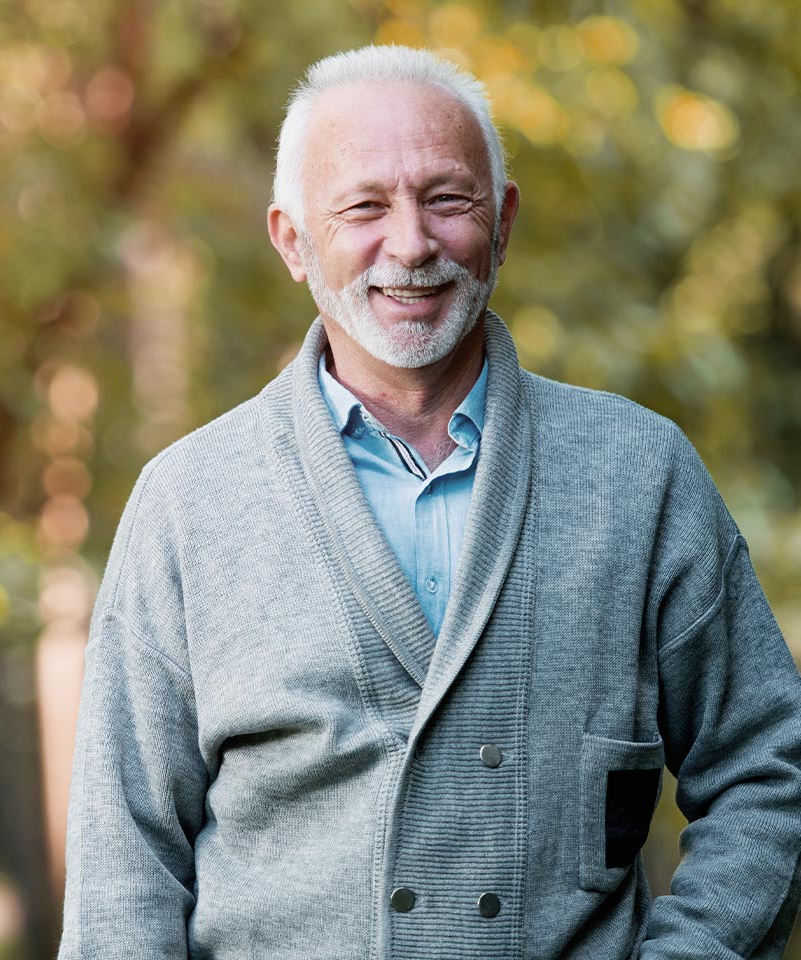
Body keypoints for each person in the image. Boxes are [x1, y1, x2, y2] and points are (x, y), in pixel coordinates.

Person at [57, 45, 801, 959]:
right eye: (364, 206)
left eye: (447, 199)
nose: (410, 244)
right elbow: (122, 862)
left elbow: (771, 770)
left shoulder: (639, 476)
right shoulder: (189, 503)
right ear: (291, 239)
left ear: (504, 222)